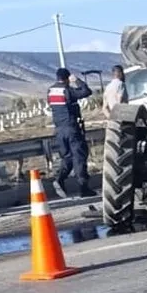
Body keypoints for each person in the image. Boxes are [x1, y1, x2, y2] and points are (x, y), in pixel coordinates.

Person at [47, 67, 94, 199]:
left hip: (59, 130)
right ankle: (83, 188)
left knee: (67, 157)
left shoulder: (50, 91)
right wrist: (77, 81)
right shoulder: (67, 90)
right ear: (67, 79)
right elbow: (86, 92)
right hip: (71, 128)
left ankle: (60, 179)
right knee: (79, 156)